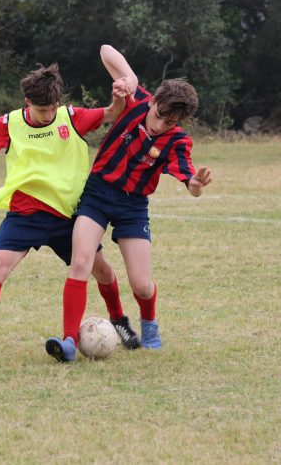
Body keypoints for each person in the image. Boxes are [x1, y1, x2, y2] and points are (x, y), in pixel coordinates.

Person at [0, 62, 140, 361]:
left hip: (67, 216)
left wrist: (119, 97)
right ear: (27, 102)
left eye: (52, 108)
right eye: (41, 110)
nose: (48, 115)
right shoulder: (10, 123)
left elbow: (112, 113)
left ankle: (119, 319)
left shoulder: (71, 118)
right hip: (25, 213)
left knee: (103, 271)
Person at [46, 45, 213, 362]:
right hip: (97, 194)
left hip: (133, 207)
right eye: (159, 116)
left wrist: (197, 184)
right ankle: (68, 341)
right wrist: (129, 80)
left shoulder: (177, 141)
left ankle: (149, 324)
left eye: (170, 122)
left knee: (142, 285)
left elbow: (190, 183)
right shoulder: (135, 100)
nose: (159, 125)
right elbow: (105, 50)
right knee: (81, 263)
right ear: (153, 101)